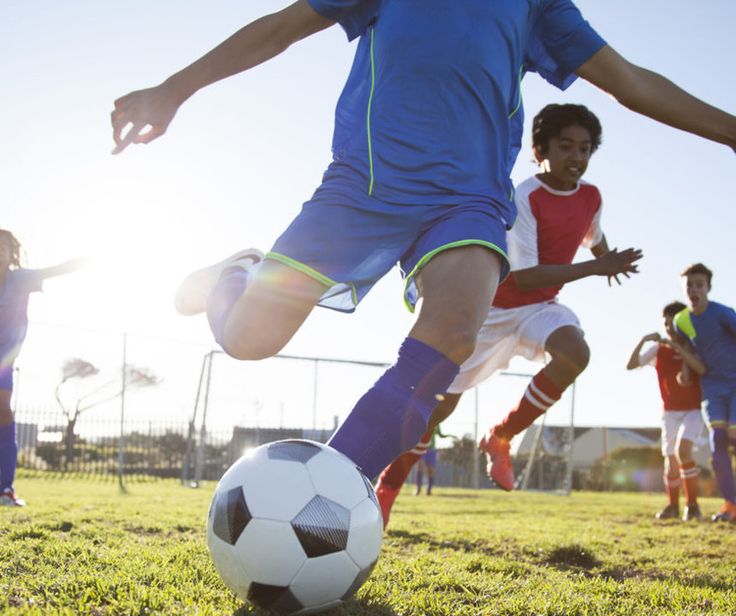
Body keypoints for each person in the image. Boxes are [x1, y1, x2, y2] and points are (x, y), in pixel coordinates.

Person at [110, 1, 736, 492]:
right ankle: (240, 274)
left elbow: (628, 81)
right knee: (249, 341)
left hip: (469, 198)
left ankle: (334, 484)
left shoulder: (538, 4)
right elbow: (279, 30)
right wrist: (173, 89)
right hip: (364, 186)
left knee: (454, 334)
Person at [375, 103, 641, 524]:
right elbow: (530, 275)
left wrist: (610, 259)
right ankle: (388, 488)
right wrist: (597, 267)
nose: (576, 157)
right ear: (541, 151)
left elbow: (594, 236)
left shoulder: (591, 197)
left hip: (538, 309)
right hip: (493, 308)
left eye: (585, 148)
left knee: (576, 352)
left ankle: (501, 437)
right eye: (565, 146)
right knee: (439, 409)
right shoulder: (525, 196)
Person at [0, 229, 83, 507]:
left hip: (4, 357)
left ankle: (5, 488)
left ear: (13, 253)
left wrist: (81, 261)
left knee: (2, 409)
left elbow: (56, 269)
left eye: (4, 246)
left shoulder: (20, 279)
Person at [626, 301, 706, 521]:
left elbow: (702, 370)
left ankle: (692, 505)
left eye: (673, 324)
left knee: (684, 451)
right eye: (666, 324)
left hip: (693, 410)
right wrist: (643, 340)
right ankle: (673, 506)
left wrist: (681, 349)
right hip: (669, 411)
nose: (669, 329)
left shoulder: (694, 346)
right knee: (670, 460)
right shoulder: (659, 349)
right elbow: (631, 365)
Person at [674, 264, 736, 522]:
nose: (694, 289)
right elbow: (688, 348)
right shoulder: (681, 321)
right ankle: (731, 505)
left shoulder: (723, 313)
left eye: (699, 284)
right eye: (689, 285)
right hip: (711, 388)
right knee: (717, 441)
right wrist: (686, 369)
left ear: (708, 287)